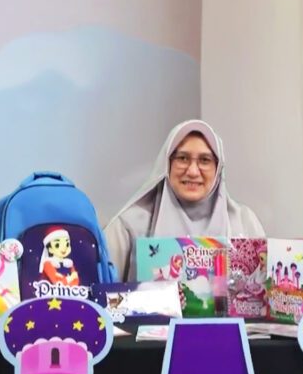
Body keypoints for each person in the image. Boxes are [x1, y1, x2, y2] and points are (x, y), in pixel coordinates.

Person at [104, 120, 265, 281]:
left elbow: (264, 287)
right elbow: (101, 289)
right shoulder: (129, 226)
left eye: (205, 160)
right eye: (182, 158)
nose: (193, 171)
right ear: (167, 163)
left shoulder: (244, 223)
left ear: (218, 168)